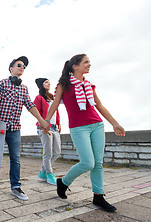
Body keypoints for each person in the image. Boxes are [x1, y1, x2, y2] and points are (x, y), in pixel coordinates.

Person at [43, 54, 125, 212]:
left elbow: (99, 106)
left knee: (98, 163)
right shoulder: (64, 84)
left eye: (89, 62)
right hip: (78, 127)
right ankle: (64, 182)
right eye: (86, 62)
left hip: (97, 125)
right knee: (88, 162)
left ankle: (98, 196)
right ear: (75, 66)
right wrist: (46, 120)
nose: (89, 64)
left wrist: (115, 124)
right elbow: (54, 104)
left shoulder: (89, 86)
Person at [0, 56, 48, 201]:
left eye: (24, 66)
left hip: (15, 127)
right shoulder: (2, 83)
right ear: (11, 68)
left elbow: (30, 105)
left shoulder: (24, 88)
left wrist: (41, 120)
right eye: (19, 65)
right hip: (0, 126)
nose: (22, 67)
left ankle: (15, 187)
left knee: (15, 158)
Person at [33, 78, 61, 185]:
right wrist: (43, 126)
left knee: (57, 152)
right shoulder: (39, 98)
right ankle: (49, 174)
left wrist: (59, 124)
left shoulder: (52, 97)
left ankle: (43, 171)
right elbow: (37, 113)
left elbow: (56, 112)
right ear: (41, 85)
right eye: (46, 82)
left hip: (55, 127)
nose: (48, 84)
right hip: (44, 127)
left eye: (49, 82)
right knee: (47, 153)